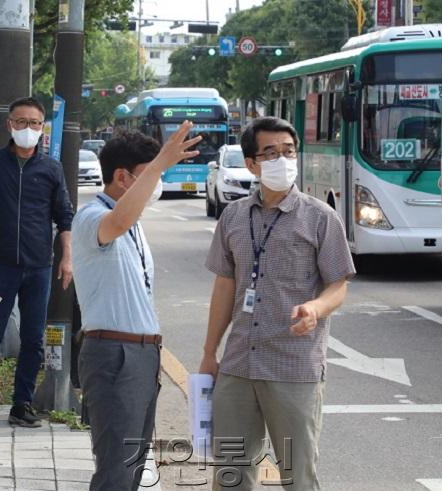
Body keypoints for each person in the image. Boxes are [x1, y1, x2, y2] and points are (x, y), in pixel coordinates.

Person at [199, 117, 356, 490]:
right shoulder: (234, 217)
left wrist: (315, 309)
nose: (282, 160)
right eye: (270, 153)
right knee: (231, 476)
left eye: (288, 152)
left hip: (293, 365)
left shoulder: (321, 218)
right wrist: (210, 353)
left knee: (298, 476)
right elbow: (225, 286)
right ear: (251, 163)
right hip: (239, 363)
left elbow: (338, 285)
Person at [71, 122, 201, 490]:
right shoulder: (92, 217)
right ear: (121, 178)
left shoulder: (135, 223)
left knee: (133, 465)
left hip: (142, 354)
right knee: (115, 468)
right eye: (148, 176)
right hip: (114, 353)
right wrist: (161, 163)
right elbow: (119, 219)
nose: (155, 185)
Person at [0, 97, 74, 428]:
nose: (27, 129)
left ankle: (21, 405)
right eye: (21, 122)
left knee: (33, 339)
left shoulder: (51, 168)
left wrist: (67, 258)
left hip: (39, 267)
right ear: (9, 124)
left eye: (34, 123)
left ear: (42, 129)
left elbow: (64, 216)